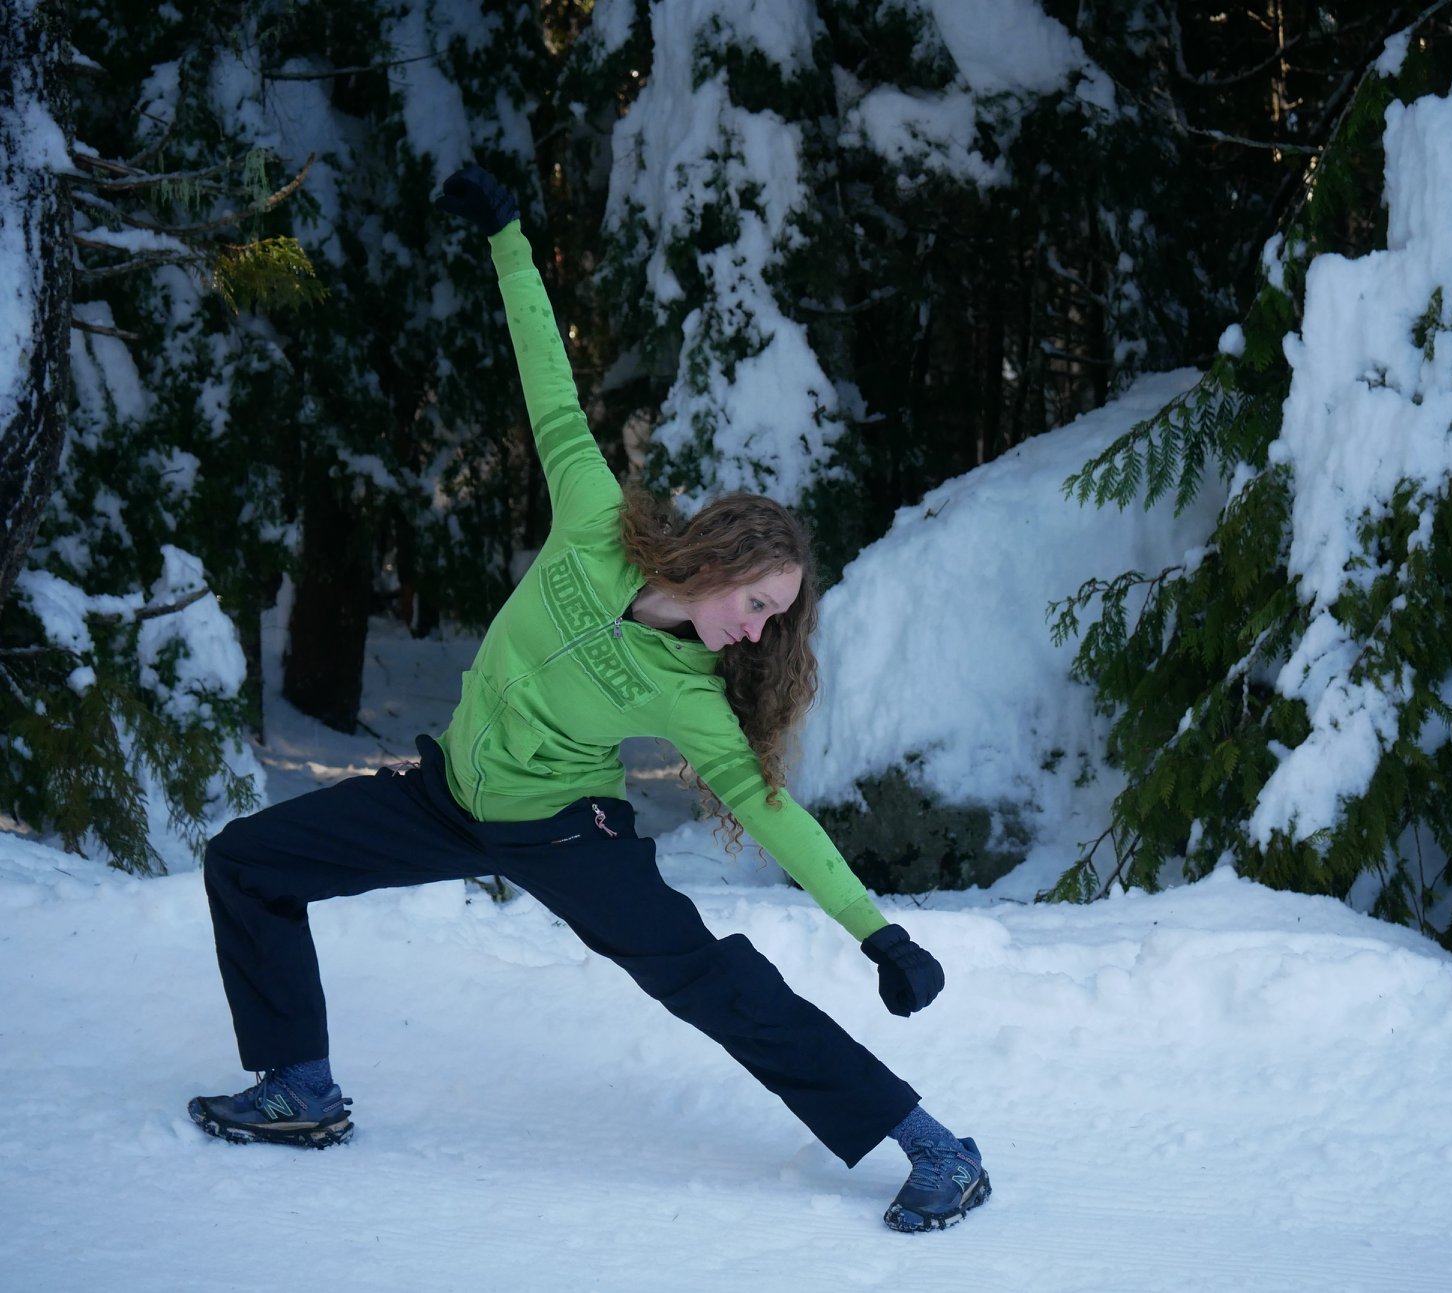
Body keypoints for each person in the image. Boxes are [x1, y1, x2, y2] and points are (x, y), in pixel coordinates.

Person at [186, 165, 990, 1234]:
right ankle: (300, 1085)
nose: (758, 631)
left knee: (709, 981)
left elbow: (770, 810)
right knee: (248, 862)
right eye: (758, 603)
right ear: (717, 559)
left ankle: (933, 1146)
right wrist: (511, 239)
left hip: (569, 833)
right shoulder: (592, 520)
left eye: (774, 620)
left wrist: (875, 934)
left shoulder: (698, 693)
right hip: (449, 795)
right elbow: (546, 381)